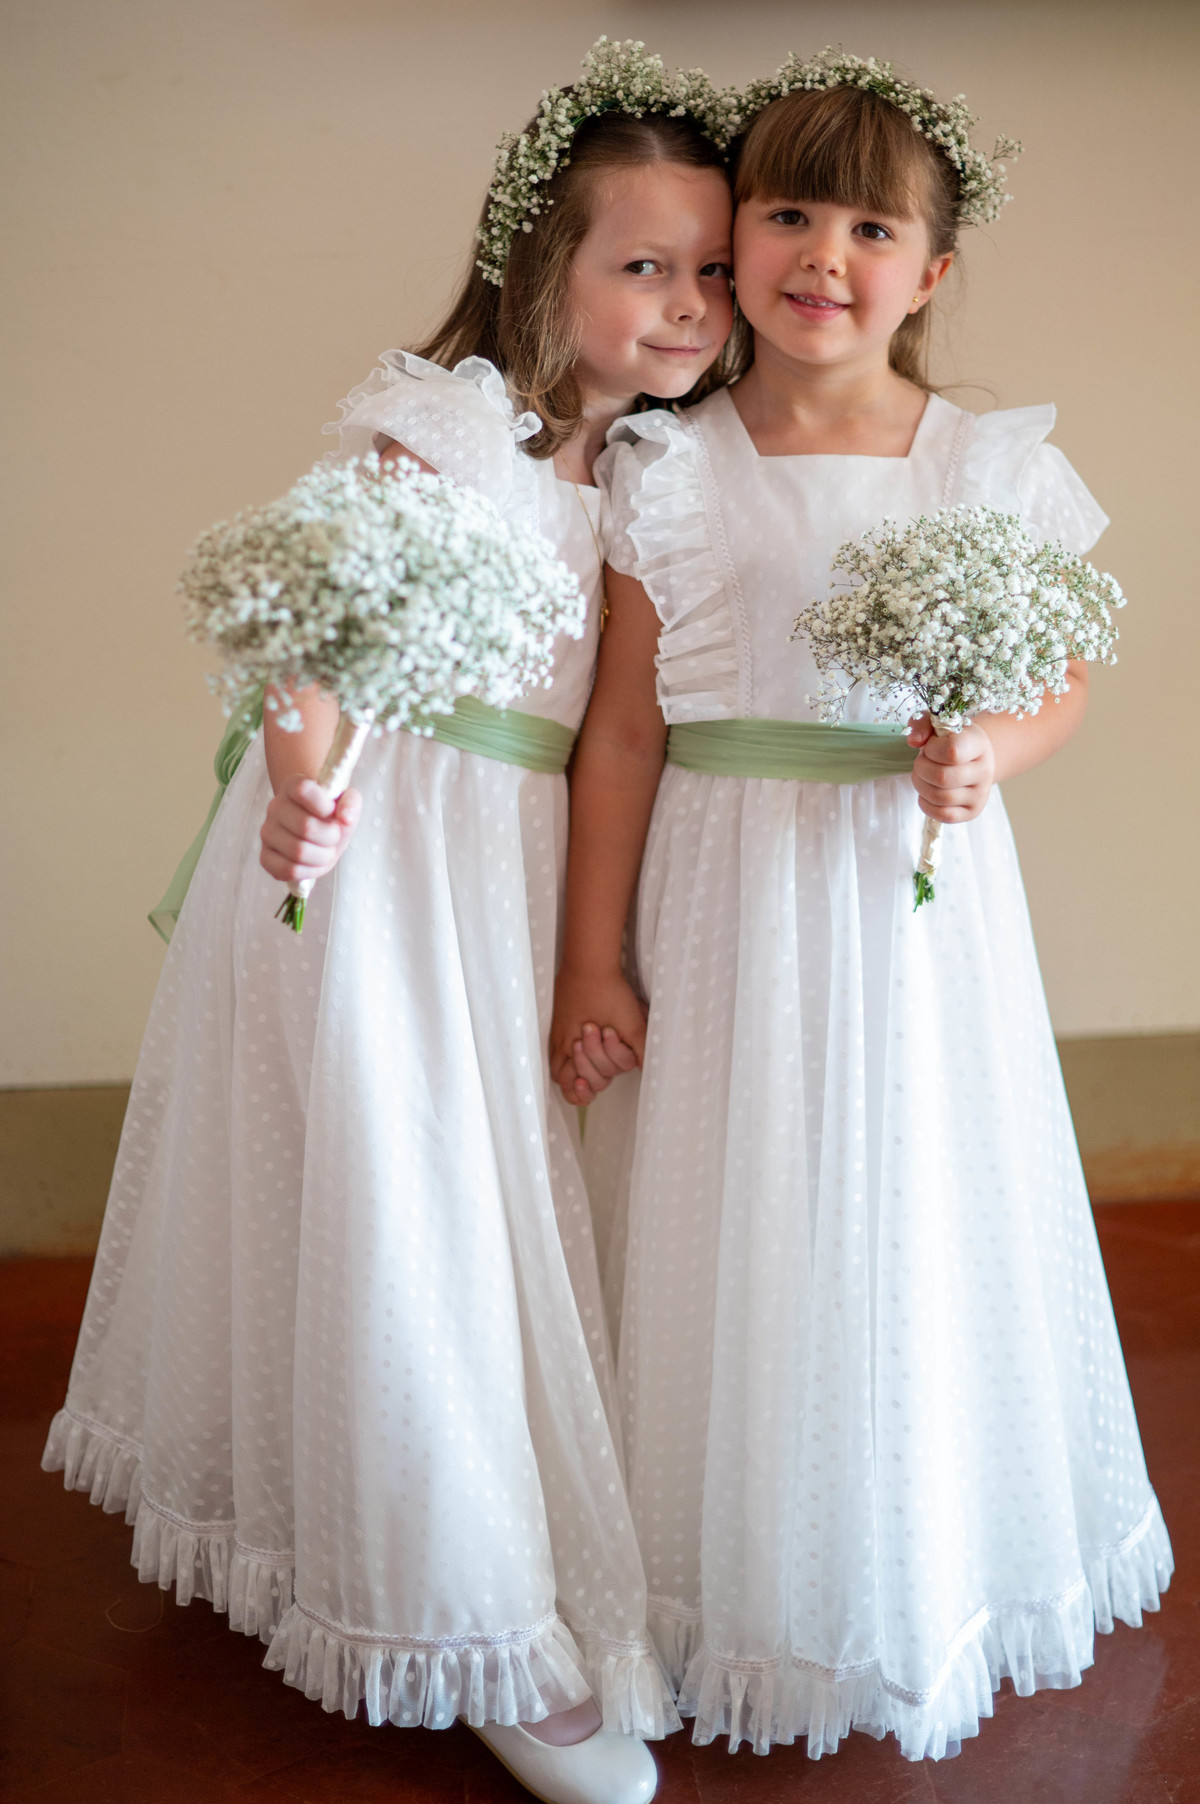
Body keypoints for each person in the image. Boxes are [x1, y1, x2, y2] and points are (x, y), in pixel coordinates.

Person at [43, 39, 735, 1804]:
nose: (685, 301)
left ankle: (522, 1540)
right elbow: (318, 618)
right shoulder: (442, 427)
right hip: (387, 851)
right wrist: (302, 765)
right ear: (543, 267)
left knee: (511, 1214)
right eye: (641, 263)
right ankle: (468, 1608)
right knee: (410, 1194)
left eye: (711, 269)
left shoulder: (658, 478)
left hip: (522, 867)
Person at [550, 49, 1172, 1763]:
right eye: (788, 212)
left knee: (907, 1195)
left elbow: (1058, 682)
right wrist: (592, 952)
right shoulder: (667, 462)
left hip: (914, 911)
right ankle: (703, 1576)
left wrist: (996, 751)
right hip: (726, 891)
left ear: (932, 272)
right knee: (730, 1206)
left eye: (872, 227)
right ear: (737, 241)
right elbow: (619, 731)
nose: (825, 253)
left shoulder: (986, 464)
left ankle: (911, 1558)